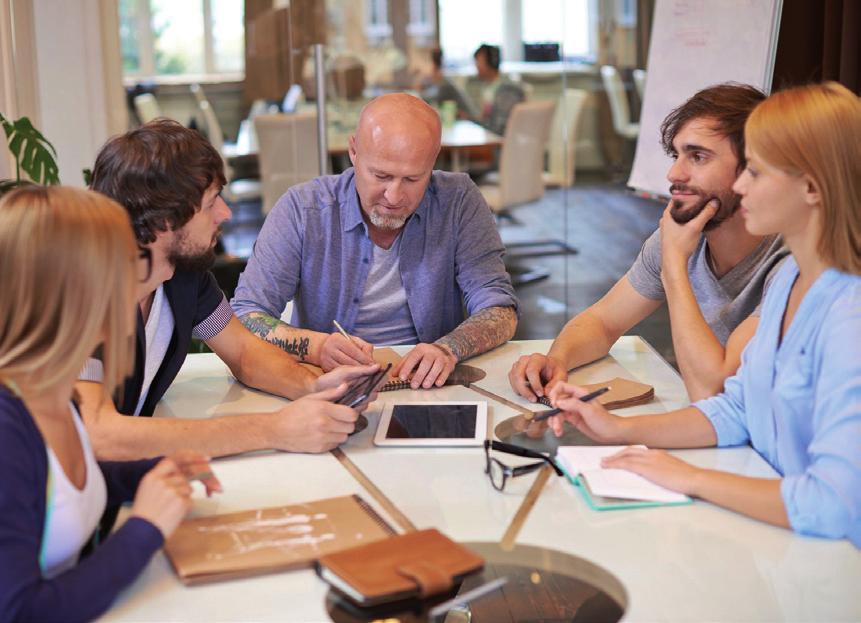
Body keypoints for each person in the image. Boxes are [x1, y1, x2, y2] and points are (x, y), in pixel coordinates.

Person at [546, 82, 861, 546]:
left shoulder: (848, 315)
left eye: (755, 170)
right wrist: (618, 429)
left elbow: (834, 504)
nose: (740, 185)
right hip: (778, 531)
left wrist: (689, 478)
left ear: (812, 187)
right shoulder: (796, 277)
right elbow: (735, 407)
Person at [78, 119, 379, 460]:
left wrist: (313, 387)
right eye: (211, 203)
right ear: (164, 220)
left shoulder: (183, 276)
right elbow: (97, 434)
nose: (225, 213)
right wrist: (274, 429)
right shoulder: (79, 294)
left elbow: (243, 352)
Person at [0, 186, 223, 620]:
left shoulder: (49, 388)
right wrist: (145, 527)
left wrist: (147, 473)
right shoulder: (6, 428)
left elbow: (51, 488)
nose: (141, 280)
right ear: (67, 292)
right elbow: (22, 611)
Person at [509, 83, 789, 403]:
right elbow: (603, 322)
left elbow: (714, 390)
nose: (673, 173)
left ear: (752, 166)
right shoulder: (679, 237)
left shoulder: (791, 260)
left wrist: (674, 264)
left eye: (697, 157)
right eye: (676, 155)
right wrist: (557, 360)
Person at [231, 93, 518, 389]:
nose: (394, 197)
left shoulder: (458, 201)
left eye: (412, 179)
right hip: (326, 386)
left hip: (428, 386)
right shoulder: (303, 210)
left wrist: (449, 349)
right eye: (381, 176)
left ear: (433, 162)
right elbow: (245, 315)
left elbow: (499, 310)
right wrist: (316, 347)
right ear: (353, 151)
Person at [472, 43, 525, 135]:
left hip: (499, 143)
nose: (476, 66)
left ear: (492, 62)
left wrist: (472, 122)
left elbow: (500, 128)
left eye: (478, 62)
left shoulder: (508, 90)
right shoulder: (487, 87)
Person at [418, 48, 478, 120]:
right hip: (462, 118)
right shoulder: (440, 81)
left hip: (470, 119)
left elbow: (428, 98)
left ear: (434, 66)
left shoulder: (445, 84)